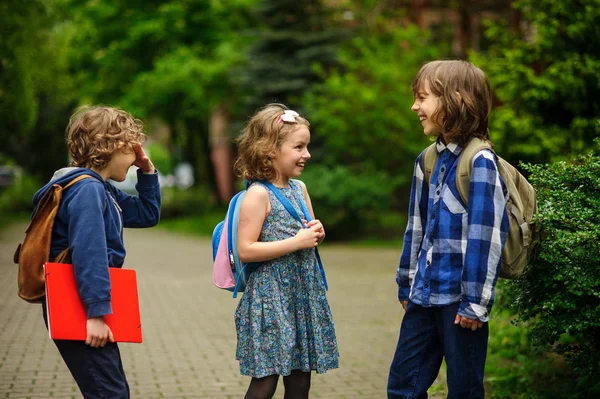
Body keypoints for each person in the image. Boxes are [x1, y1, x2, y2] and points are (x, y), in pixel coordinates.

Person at [387, 60, 510, 399]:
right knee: (402, 388)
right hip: (423, 297)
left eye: (423, 97)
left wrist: (475, 303)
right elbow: (416, 227)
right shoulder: (426, 159)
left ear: (454, 100)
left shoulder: (480, 162)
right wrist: (406, 282)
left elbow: (486, 238)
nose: (415, 106)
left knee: (464, 390)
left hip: (460, 305)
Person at [34, 105, 161, 398]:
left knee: (109, 388)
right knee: (110, 392)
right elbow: (89, 254)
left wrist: (148, 172)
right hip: (80, 304)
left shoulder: (99, 188)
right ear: (111, 147)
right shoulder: (87, 190)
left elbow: (146, 214)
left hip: (86, 301)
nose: (135, 158)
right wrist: (95, 314)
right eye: (132, 150)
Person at [234, 103, 339, 399]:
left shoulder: (299, 188)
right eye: (298, 147)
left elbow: (307, 233)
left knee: (300, 379)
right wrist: (297, 241)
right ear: (270, 150)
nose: (306, 154)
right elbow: (245, 249)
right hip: (271, 298)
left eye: (307, 146)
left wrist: (315, 230)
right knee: (265, 380)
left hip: (301, 293)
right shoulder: (257, 194)